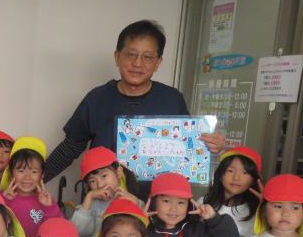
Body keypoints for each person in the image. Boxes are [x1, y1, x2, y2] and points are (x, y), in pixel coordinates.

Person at [44, 20, 225, 183]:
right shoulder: (97, 98)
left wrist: (209, 144)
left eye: (147, 57)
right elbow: (70, 147)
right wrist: (36, 179)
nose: (138, 63)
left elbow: (187, 147)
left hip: (156, 204)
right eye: (131, 54)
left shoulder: (172, 100)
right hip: (103, 202)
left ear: (158, 62)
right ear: (117, 57)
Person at [70, 146, 141, 237]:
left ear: (119, 172)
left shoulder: (132, 196)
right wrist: (89, 198)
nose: (100, 185)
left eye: (104, 176)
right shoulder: (91, 204)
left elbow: (143, 230)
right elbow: (76, 233)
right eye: (92, 181)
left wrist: (136, 204)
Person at [0, 136, 62, 237]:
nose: (27, 177)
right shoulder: (2, 198)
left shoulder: (47, 201)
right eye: (21, 171)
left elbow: (58, 228)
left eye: (34, 171)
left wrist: (49, 207)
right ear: (10, 173)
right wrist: (4, 200)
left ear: (42, 174)